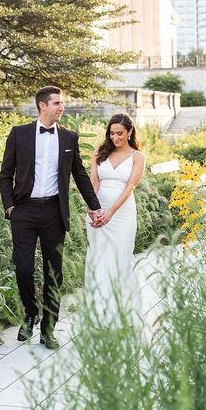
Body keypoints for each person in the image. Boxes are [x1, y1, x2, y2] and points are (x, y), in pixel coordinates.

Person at [0, 86, 103, 349]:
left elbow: (79, 174)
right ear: (42, 106)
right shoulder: (19, 134)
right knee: (23, 267)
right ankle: (31, 313)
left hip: (54, 213)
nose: (62, 107)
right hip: (24, 210)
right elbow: (5, 174)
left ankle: (48, 328)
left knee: (53, 272)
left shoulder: (69, 138)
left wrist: (95, 205)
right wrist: (10, 207)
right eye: (57, 103)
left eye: (62, 103)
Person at [85, 113, 146, 324]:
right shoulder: (99, 153)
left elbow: (130, 186)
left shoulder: (138, 157)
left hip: (122, 214)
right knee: (99, 259)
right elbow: (94, 181)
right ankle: (99, 313)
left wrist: (111, 211)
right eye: (111, 133)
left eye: (119, 133)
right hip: (97, 212)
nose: (115, 138)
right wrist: (91, 208)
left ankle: (123, 312)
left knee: (120, 259)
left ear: (129, 132)